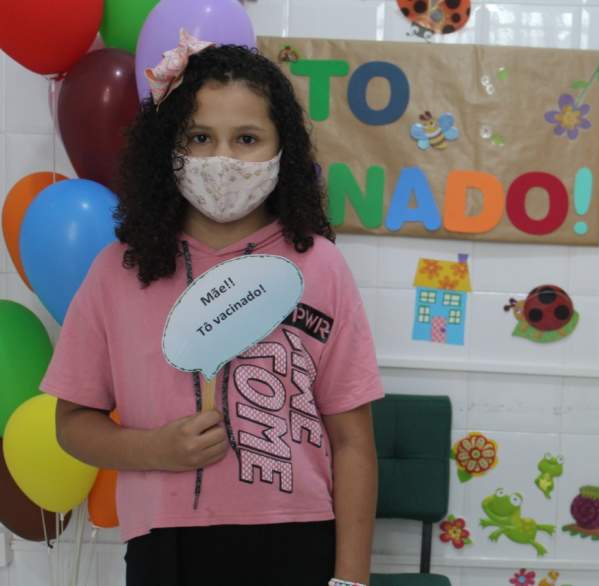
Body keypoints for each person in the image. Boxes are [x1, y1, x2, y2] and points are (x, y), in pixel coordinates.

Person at [41, 31, 382, 586]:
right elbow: (72, 424)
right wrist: (153, 448)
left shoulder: (320, 266)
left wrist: (351, 578)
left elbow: (353, 441)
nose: (223, 159)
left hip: (300, 538)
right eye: (199, 137)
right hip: (164, 545)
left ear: (283, 149)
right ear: (167, 146)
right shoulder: (117, 271)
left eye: (247, 138)